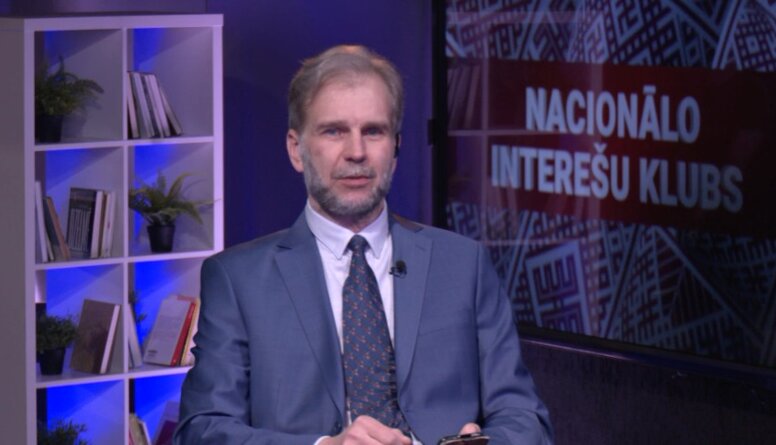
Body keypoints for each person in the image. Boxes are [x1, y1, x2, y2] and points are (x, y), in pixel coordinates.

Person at [175, 44, 553, 445]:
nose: (356, 152)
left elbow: (526, 419)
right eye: (334, 131)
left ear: (396, 148)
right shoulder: (238, 280)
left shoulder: (462, 264)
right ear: (296, 150)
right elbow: (202, 431)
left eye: (373, 131)